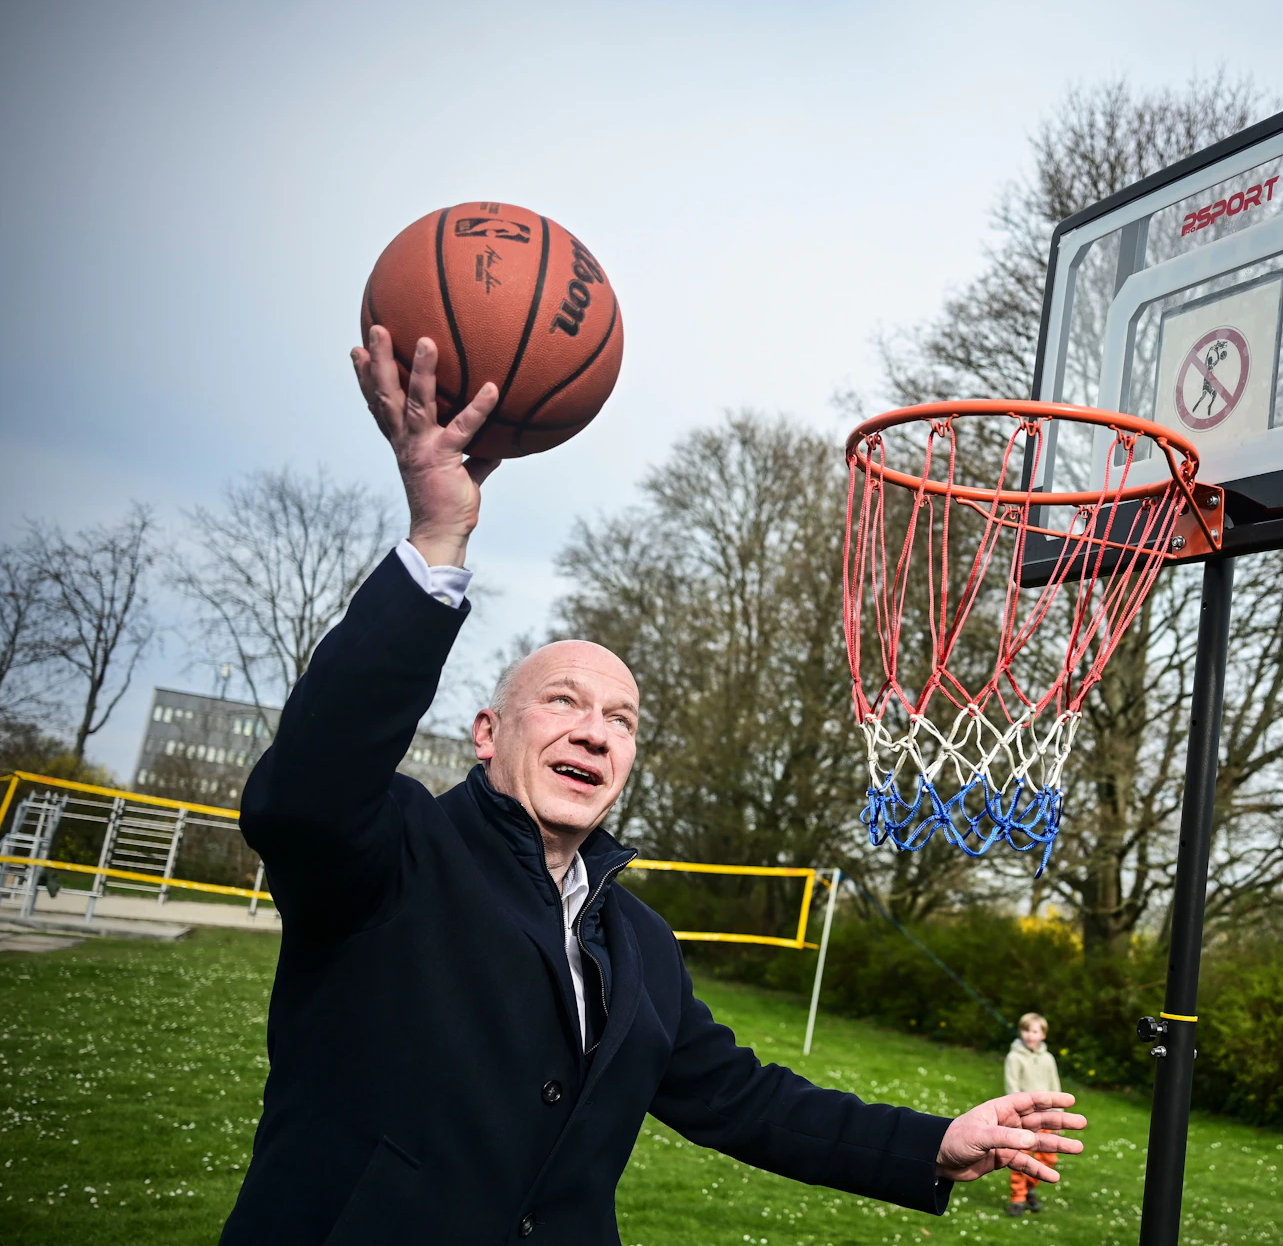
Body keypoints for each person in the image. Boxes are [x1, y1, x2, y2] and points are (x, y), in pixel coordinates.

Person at [218, 327, 1085, 1245]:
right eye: (563, 701)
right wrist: (438, 537)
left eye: (621, 718)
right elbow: (304, 787)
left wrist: (933, 1143)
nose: (596, 728)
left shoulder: (640, 944)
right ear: (487, 734)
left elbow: (742, 1099)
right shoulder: (392, 852)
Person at [1001, 1012, 1063, 1215]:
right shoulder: (1014, 1057)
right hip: (1025, 1119)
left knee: (1048, 1159)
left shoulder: (1048, 1059)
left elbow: (1055, 1087)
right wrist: (1021, 1113)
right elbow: (1012, 1088)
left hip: (1047, 1117)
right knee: (1020, 1158)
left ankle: (1029, 1188)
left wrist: (1058, 1117)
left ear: (1043, 1035)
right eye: (1026, 1030)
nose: (1029, 1035)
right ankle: (1018, 1198)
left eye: (1034, 1031)